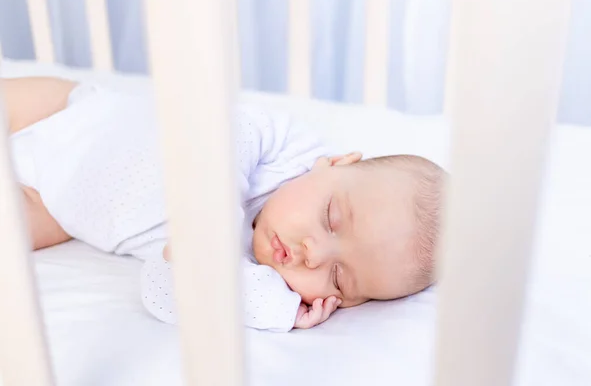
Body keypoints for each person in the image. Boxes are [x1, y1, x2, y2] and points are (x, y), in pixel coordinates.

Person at [3, 76, 445, 332]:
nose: (314, 254)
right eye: (331, 219)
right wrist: (212, 226)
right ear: (335, 163)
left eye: (338, 278)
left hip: (56, 207)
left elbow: (163, 292)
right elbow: (226, 134)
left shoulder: (251, 277)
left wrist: (276, 309)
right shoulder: (287, 151)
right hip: (72, 114)